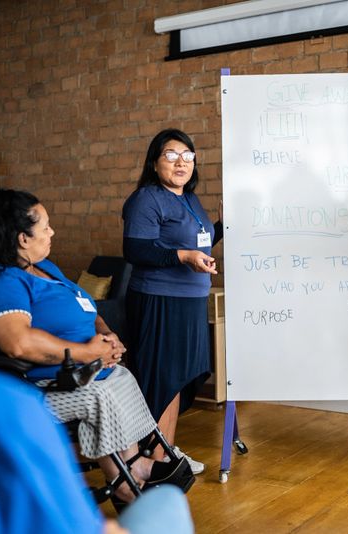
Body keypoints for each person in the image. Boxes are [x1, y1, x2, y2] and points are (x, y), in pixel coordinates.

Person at [0, 1, 193, 532]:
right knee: (167, 512)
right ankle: (131, 478)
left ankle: (137, 464)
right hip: (44, 390)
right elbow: (19, 344)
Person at [0, 187, 192, 502]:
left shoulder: (45, 268)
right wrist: (89, 352)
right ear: (22, 238)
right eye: (45, 227)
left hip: (78, 371)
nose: (52, 232)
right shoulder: (0, 281)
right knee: (98, 393)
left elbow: (86, 305)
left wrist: (108, 336)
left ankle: (134, 464)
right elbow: (19, 343)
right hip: (32, 386)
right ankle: (125, 482)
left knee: (121, 377)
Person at [123, 128, 222, 473]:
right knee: (159, 380)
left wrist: (225, 226)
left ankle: (164, 452)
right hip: (158, 301)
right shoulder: (147, 198)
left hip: (190, 301)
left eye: (188, 156)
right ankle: (146, 460)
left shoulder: (189, 200)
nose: (181, 162)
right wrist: (183, 257)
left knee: (178, 379)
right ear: (154, 162)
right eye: (171, 155)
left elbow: (201, 241)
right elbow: (135, 249)